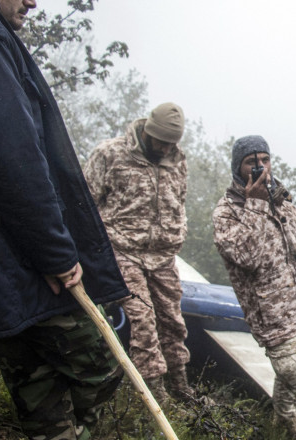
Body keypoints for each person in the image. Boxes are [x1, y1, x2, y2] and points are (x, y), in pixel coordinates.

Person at [0, 0, 130, 438]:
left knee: (40, 393)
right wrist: (55, 252)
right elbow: (8, 154)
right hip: (26, 261)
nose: (34, 1)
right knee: (104, 367)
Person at [213, 135, 296, 440]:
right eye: (252, 162)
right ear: (237, 167)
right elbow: (245, 257)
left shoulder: (284, 204)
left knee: (290, 394)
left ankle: (279, 433)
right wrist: (255, 204)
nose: (260, 167)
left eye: (265, 160)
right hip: (272, 322)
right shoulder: (227, 212)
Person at [84, 102, 194, 403]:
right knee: (142, 320)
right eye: (161, 141)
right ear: (148, 131)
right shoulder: (111, 154)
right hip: (122, 251)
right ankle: (154, 395)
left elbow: (179, 201)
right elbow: (85, 203)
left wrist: (177, 231)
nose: (165, 148)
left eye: (172, 143)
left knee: (173, 322)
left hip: (163, 257)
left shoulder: (177, 160)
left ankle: (180, 387)